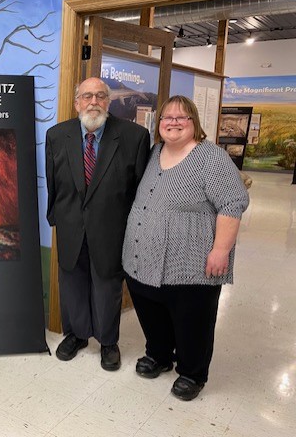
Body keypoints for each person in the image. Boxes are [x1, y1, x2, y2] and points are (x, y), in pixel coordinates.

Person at [122, 95, 249, 401]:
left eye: (182, 117)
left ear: (195, 122)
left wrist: (221, 250)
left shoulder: (211, 158)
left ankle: (193, 372)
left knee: (193, 318)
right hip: (143, 259)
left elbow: (233, 202)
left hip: (191, 262)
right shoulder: (154, 152)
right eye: (167, 117)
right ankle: (159, 355)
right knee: (151, 308)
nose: (174, 123)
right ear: (159, 123)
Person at [45, 77, 150, 370]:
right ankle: (77, 335)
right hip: (70, 226)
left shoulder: (134, 137)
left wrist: (134, 230)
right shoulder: (57, 135)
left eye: (101, 96)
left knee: (107, 286)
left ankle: (108, 341)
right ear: (76, 102)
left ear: (109, 101)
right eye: (87, 96)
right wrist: (55, 217)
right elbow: (53, 182)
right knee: (72, 283)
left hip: (112, 229)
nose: (94, 102)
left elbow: (139, 191)